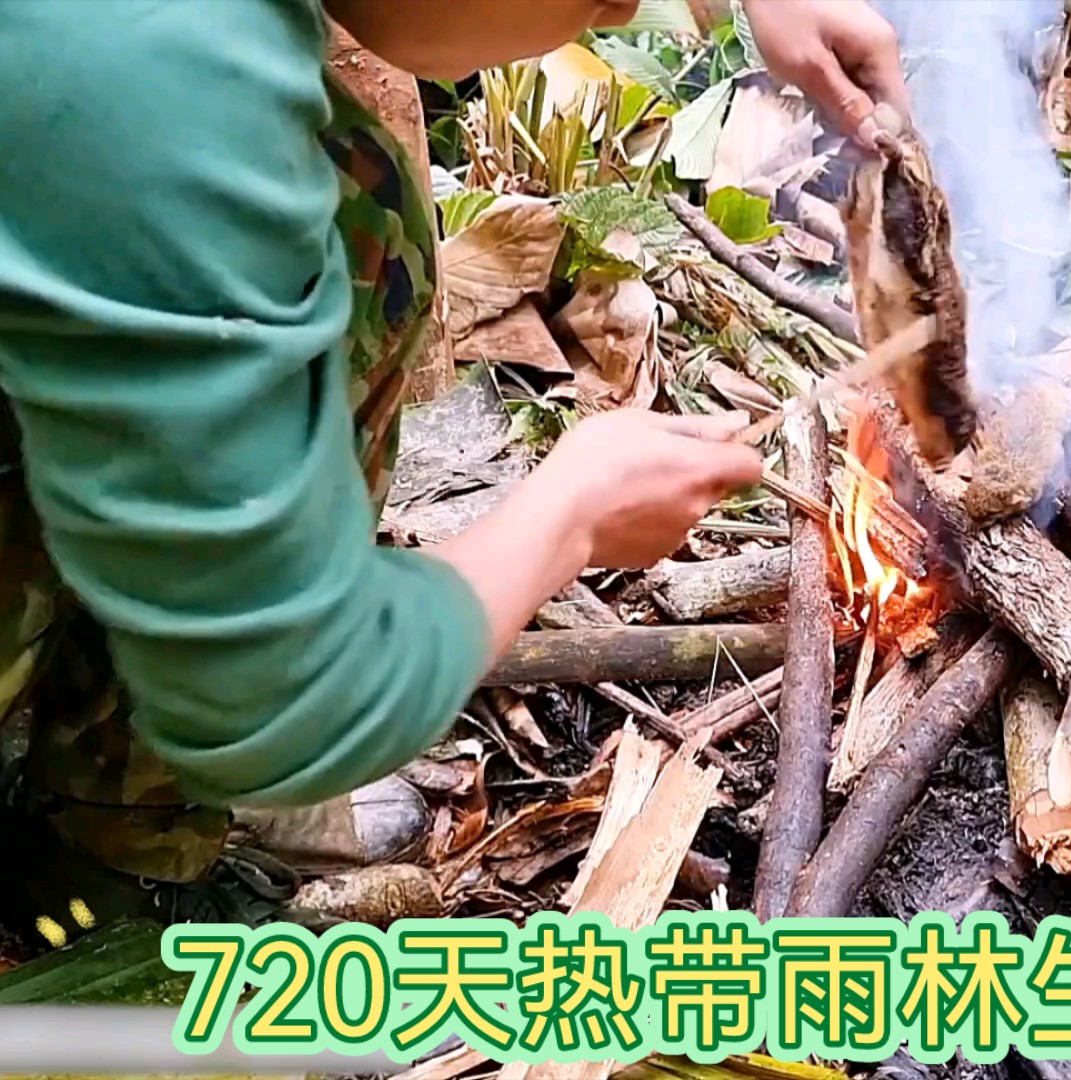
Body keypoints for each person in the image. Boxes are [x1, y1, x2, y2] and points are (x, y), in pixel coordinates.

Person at [0, 0, 910, 940]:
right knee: (362, 215)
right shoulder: (148, 72)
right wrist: (568, 519)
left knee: (362, 213)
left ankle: (111, 811)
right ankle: (92, 844)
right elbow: (276, 701)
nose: (625, 10)